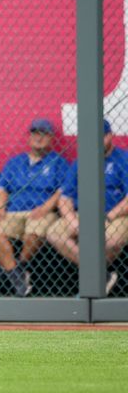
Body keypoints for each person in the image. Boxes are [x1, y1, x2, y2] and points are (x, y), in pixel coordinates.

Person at [0, 118, 69, 296]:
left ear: (51, 138)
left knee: (34, 230)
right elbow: (0, 189)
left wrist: (45, 208)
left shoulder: (59, 162)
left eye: (43, 134)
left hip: (42, 212)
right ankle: (17, 274)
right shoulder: (15, 162)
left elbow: (62, 192)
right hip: (14, 212)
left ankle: (17, 268)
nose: (38, 137)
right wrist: (0, 210)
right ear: (29, 137)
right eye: (35, 133)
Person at [47, 120, 128, 295]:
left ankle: (94, 278)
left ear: (109, 136)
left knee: (110, 240)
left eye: (101, 137)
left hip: (117, 214)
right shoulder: (81, 161)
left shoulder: (124, 159)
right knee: (55, 233)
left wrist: (109, 217)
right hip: (83, 213)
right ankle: (100, 275)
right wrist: (72, 220)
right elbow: (65, 197)